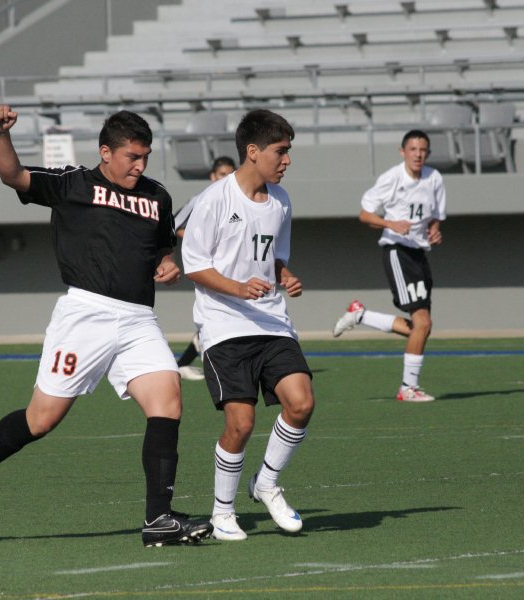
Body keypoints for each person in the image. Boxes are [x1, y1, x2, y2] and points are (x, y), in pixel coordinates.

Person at [0, 105, 212, 547]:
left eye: (145, 157)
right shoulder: (73, 184)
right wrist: (0, 136)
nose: (140, 166)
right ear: (106, 152)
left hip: (139, 318)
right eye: (132, 157)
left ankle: (158, 518)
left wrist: (167, 264)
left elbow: (161, 250)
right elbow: (14, 176)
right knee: (42, 419)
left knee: (168, 400)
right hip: (85, 314)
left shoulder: (158, 197)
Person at [181, 109, 314, 541]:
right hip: (224, 327)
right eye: (281, 151)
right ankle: (222, 511)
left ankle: (267, 483)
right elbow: (195, 266)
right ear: (253, 152)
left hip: (272, 322)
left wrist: (285, 276)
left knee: (301, 403)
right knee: (241, 424)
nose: (287, 160)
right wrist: (238, 289)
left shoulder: (282, 200)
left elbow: (275, 259)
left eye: (289, 151)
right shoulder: (214, 199)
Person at [332, 130, 446, 403]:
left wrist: (435, 231)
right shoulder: (392, 178)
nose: (418, 154)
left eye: (423, 150)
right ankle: (408, 388)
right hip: (397, 251)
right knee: (423, 323)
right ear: (402, 151)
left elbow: (434, 218)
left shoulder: (435, 178)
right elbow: (365, 214)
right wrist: (390, 223)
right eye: (413, 149)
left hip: (419, 253)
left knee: (421, 328)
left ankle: (361, 316)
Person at [173, 156, 236, 381]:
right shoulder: (201, 199)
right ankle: (185, 363)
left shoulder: (239, 200)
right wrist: (201, 242)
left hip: (231, 269)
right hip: (207, 269)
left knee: (226, 314)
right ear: (212, 177)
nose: (226, 178)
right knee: (215, 312)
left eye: (230, 173)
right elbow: (174, 225)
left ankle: (185, 363)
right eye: (221, 174)